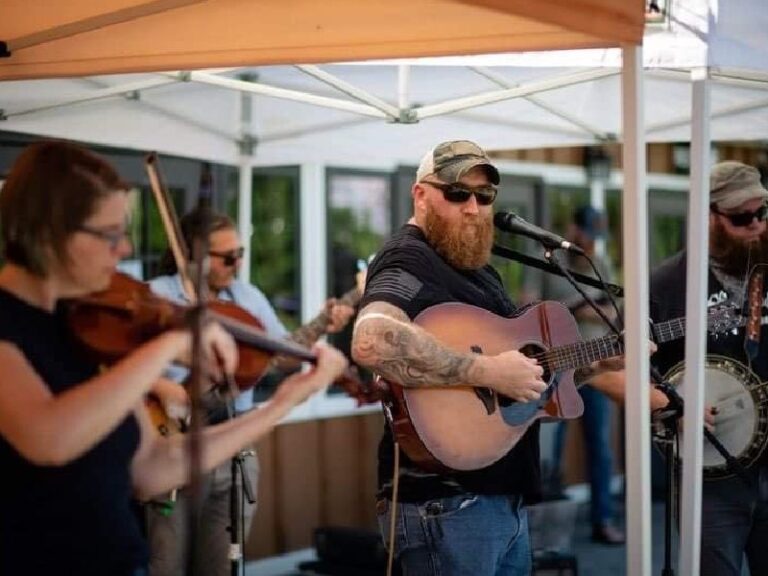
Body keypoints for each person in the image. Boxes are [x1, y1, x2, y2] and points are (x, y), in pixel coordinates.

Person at [0, 140, 349, 576]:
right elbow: (47, 437)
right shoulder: (8, 328)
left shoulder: (85, 329)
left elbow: (152, 466)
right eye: (110, 234)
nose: (124, 249)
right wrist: (167, 345)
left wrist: (281, 406)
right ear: (50, 232)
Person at [350, 140, 621, 576]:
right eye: (457, 194)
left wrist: (596, 364)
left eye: (484, 196)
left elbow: (527, 377)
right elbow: (371, 341)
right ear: (421, 195)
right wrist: (487, 370)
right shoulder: (409, 257)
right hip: (447, 509)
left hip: (498, 502)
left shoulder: (478, 269)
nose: (473, 207)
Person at [146, 207, 356, 576]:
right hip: (172, 440)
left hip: (233, 437)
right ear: (194, 254)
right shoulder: (158, 295)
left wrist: (323, 325)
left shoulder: (245, 295)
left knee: (223, 563)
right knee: (166, 562)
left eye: (240, 254)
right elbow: (117, 361)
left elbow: (279, 356)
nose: (237, 264)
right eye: (228, 257)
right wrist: (163, 387)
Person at [592, 161, 768, 576]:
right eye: (742, 217)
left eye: (762, 213)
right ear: (707, 216)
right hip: (710, 479)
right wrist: (670, 405)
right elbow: (603, 369)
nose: (757, 226)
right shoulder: (666, 285)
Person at [542, 205, 625, 544]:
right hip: (558, 370)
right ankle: (546, 525)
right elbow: (534, 308)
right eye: (588, 235)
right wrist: (577, 309)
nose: (591, 244)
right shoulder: (550, 266)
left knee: (600, 448)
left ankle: (602, 519)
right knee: (551, 450)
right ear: (574, 231)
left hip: (597, 371)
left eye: (596, 238)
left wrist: (583, 310)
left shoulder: (600, 266)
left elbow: (613, 313)